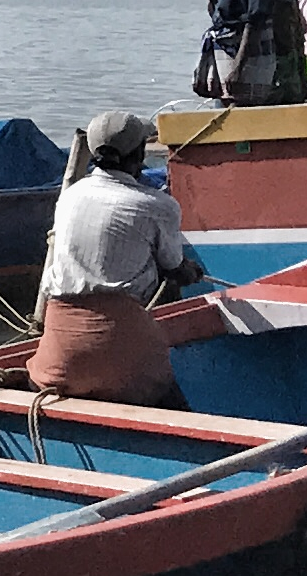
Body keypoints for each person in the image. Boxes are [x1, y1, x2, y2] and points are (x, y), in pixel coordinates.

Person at [27, 111, 206, 408]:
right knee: (173, 406)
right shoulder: (158, 206)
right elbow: (174, 268)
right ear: (138, 153)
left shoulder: (71, 195)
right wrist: (190, 272)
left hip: (59, 349)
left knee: (45, 377)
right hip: (120, 349)